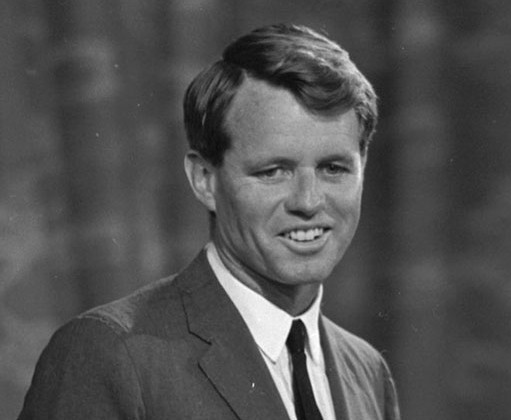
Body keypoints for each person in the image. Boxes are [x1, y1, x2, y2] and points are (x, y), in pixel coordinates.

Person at [18, 23, 400, 420]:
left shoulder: (367, 373)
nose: (308, 201)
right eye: (273, 171)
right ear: (204, 180)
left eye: (334, 168)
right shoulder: (110, 353)